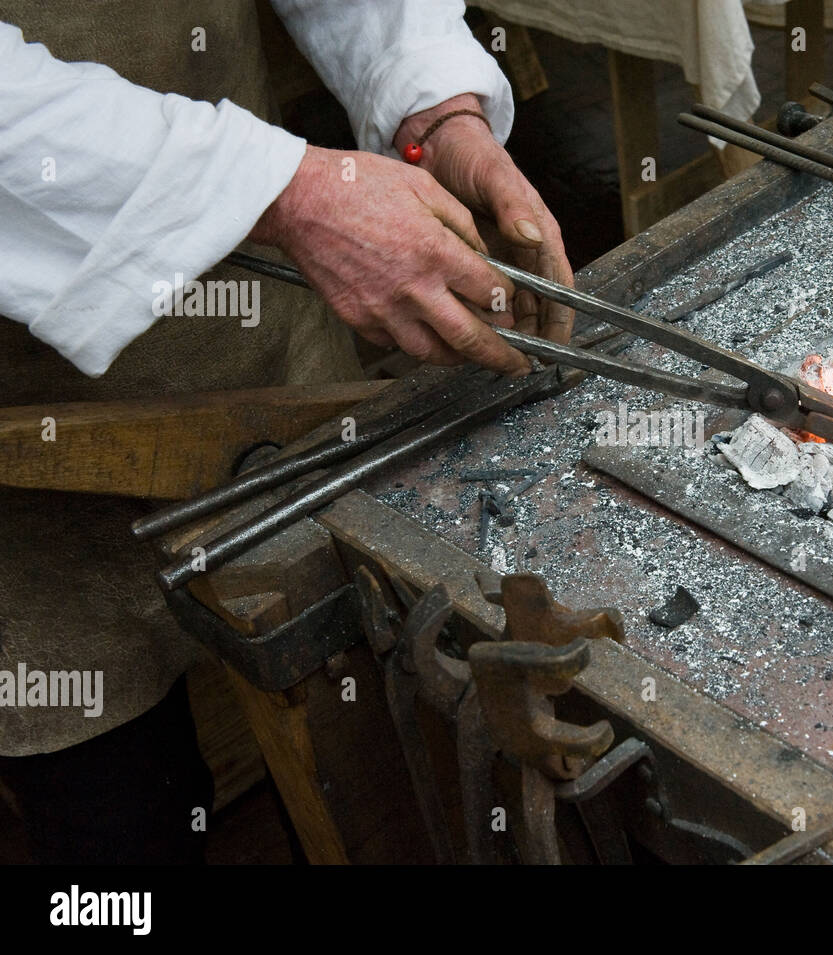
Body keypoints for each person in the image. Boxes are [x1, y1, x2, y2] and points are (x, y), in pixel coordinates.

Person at [0, 0, 572, 863]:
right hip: (24, 439)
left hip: (265, 331)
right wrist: (283, 190)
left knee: (366, 759)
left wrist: (432, 109)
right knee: (117, 825)